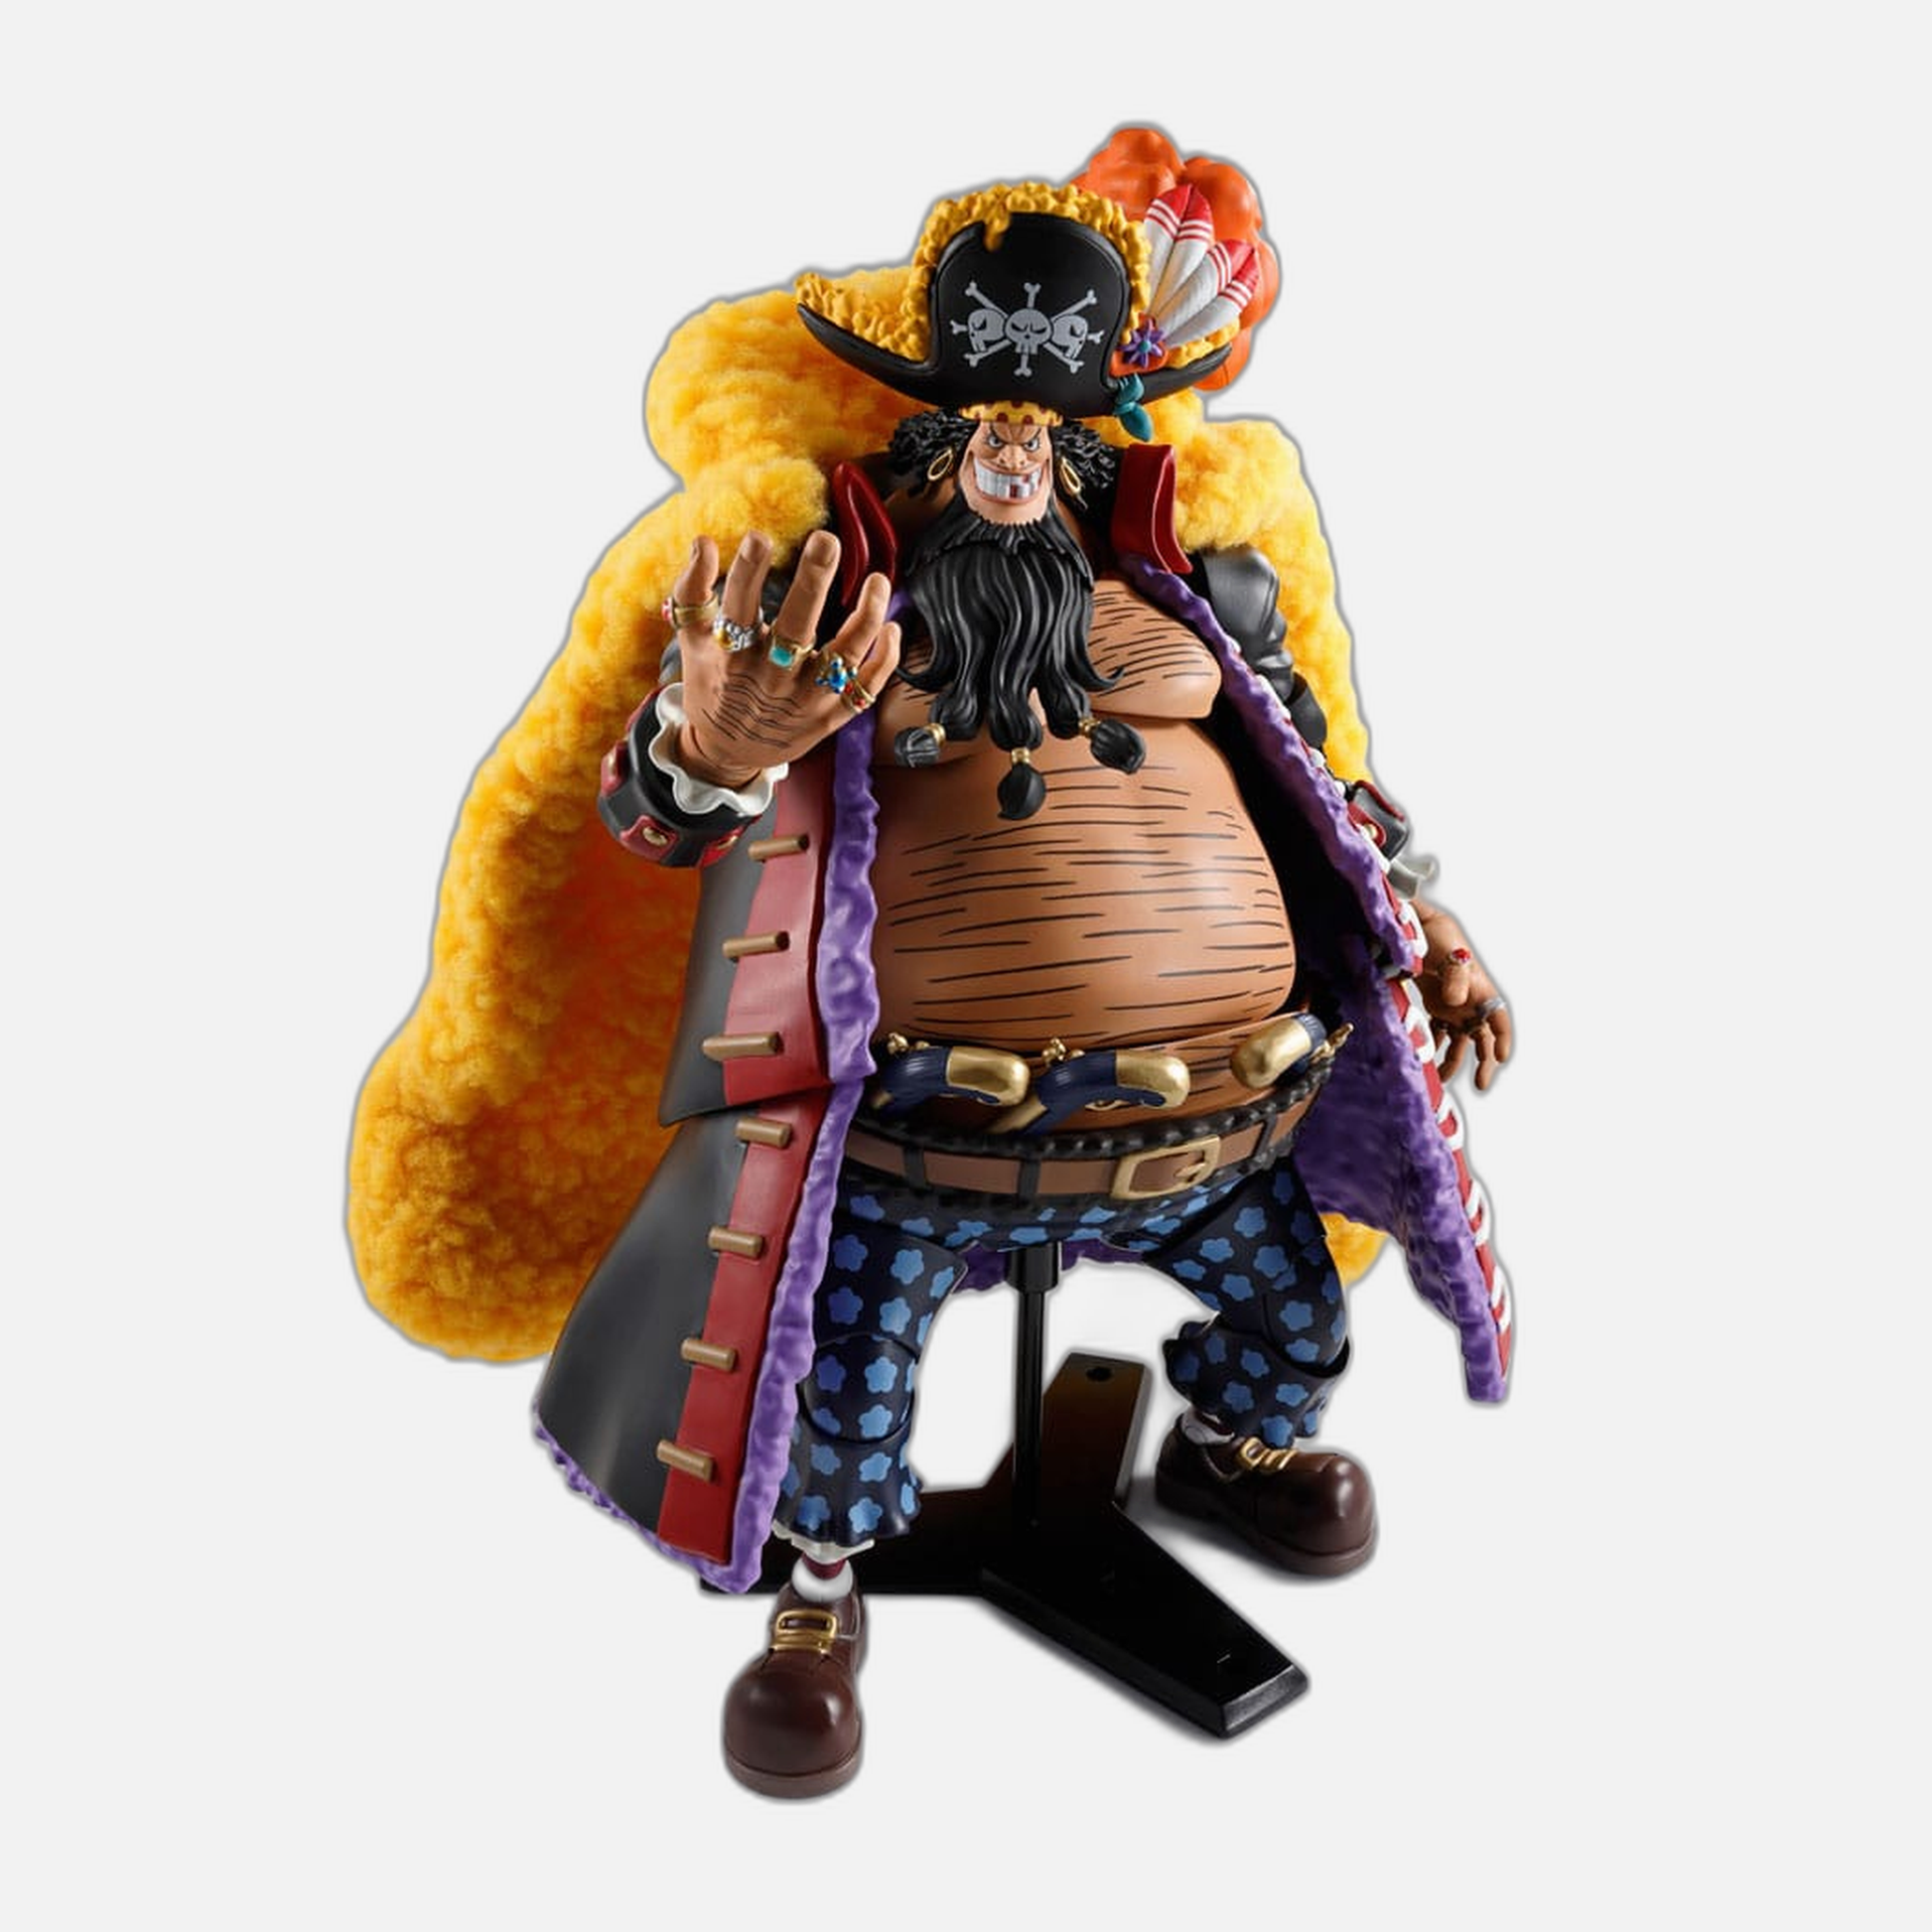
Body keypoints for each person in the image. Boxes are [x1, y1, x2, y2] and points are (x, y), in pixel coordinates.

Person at [348, 129, 1513, 1799]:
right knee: (841, 1395)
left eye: (1046, 427)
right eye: (979, 425)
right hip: (926, 1142)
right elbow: (642, 813)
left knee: (1298, 1318)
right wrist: (714, 745)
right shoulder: (823, 611)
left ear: (1097, 436)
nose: (1012, 456)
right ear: (924, 431)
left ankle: (1225, 1447)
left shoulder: (1206, 595)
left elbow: (1328, 790)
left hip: (1212, 1125)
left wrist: (1432, 933)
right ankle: (817, 1596)